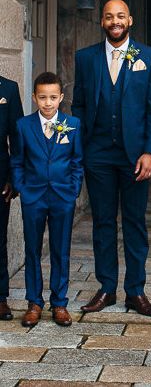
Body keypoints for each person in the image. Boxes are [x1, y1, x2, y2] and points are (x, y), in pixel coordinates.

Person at [72, 0, 151, 316]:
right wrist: (81, 145)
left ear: (130, 19)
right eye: (109, 16)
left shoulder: (147, 57)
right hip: (97, 154)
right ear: (102, 21)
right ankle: (107, 288)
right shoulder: (85, 58)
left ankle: (135, 292)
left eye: (120, 16)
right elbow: (79, 104)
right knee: (103, 223)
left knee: (135, 222)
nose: (115, 21)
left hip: (135, 155)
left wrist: (150, 150)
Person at [11, 72, 83, 327]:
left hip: (62, 196)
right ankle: (34, 302)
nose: (48, 103)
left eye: (53, 97)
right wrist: (22, 187)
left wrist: (73, 189)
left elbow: (77, 162)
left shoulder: (73, 124)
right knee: (32, 249)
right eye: (43, 98)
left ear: (61, 97)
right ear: (34, 98)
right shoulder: (23, 125)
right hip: (34, 196)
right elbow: (17, 160)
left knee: (60, 250)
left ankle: (60, 302)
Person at [0, 74, 22, 320]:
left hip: (0, 177)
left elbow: (16, 138)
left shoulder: (8, 88)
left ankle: (0, 297)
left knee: (0, 237)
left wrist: (14, 178)